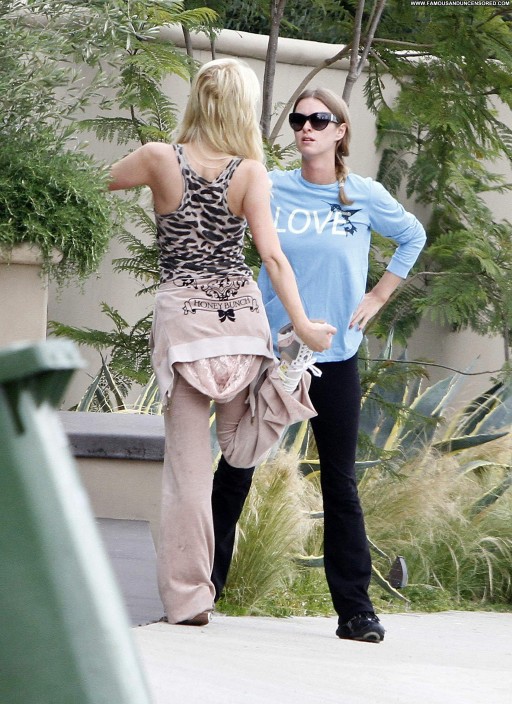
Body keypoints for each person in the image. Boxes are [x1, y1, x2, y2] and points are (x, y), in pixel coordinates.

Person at [108, 60, 336, 627]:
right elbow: (272, 257)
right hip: (240, 323)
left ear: (198, 100)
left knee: (188, 474)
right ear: (241, 108)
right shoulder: (251, 172)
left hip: (186, 326)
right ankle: (287, 381)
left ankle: (190, 600)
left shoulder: (158, 158)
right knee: (237, 449)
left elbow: (92, 183)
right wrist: (304, 326)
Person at [212, 88, 426, 643]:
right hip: (271, 351)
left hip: (335, 355)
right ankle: (202, 588)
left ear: (340, 131)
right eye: (299, 119)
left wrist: (378, 296)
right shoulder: (270, 186)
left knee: (339, 482)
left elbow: (412, 235)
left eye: (319, 119)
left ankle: (355, 611)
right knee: (236, 467)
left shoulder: (363, 195)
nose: (306, 127)